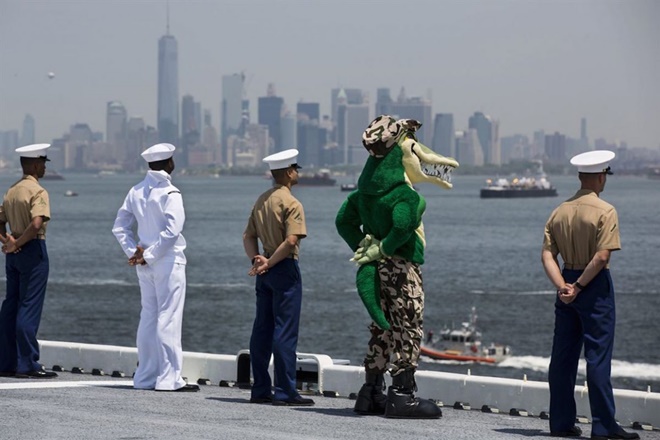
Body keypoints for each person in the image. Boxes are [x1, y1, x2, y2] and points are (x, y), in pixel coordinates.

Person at [542, 150, 638, 440]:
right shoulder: (606, 211)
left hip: (566, 283)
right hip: (592, 286)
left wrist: (564, 286)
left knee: (562, 357)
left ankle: (561, 423)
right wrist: (580, 287)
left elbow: (547, 255)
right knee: (597, 357)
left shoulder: (559, 211)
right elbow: (602, 257)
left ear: (579, 177)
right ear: (601, 177)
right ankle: (603, 426)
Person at [112, 143, 198, 392]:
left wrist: (134, 252)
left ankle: (145, 378)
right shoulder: (171, 193)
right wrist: (149, 256)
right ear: (169, 163)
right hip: (167, 262)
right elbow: (173, 232)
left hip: (144, 265)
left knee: (149, 317)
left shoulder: (135, 191)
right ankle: (170, 379)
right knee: (168, 318)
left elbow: (119, 227)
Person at [242, 149, 314, 406]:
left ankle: (261, 389)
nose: (297, 173)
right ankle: (285, 391)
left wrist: (258, 260)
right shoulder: (292, 203)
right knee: (285, 330)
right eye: (295, 169)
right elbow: (291, 240)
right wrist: (271, 262)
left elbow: (248, 236)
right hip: (283, 267)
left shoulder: (261, 200)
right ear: (289, 172)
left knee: (262, 329)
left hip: (264, 270)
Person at [0, 143, 57, 379]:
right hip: (32, 250)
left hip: (13, 255)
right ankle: (28, 364)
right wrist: (18, 243)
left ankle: (6, 362)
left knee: (10, 305)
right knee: (29, 306)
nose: (44, 167)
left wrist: (8, 241)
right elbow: (36, 224)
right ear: (34, 165)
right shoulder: (38, 191)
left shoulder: (11, 191)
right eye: (42, 163)